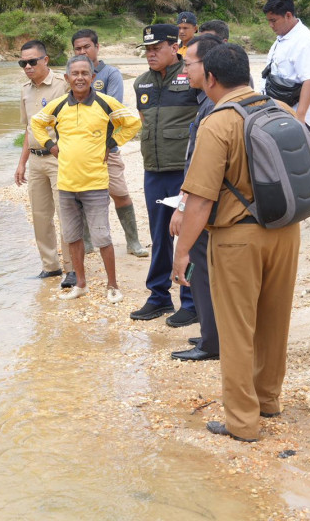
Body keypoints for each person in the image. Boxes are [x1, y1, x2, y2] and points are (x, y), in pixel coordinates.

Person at [173, 42, 300, 442]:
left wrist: (180, 255)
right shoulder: (280, 109)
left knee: (236, 329)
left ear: (210, 78)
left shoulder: (218, 122)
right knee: (273, 322)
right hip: (285, 231)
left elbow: (200, 201)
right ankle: (268, 399)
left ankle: (242, 422)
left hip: (237, 238)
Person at [31, 55, 141, 302]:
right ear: (67, 78)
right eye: (75, 74)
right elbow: (36, 123)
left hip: (95, 184)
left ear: (92, 77)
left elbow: (132, 122)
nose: (79, 77)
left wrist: (112, 143)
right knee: (72, 236)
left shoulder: (105, 103)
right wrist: (50, 145)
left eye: (85, 73)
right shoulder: (58, 105)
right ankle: (81, 283)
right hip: (67, 184)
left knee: (102, 237)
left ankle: (112, 285)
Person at [130, 24, 200, 327]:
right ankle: (158, 296)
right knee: (158, 236)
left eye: (156, 48)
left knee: (189, 235)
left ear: (175, 46)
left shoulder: (192, 77)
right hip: (154, 171)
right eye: (147, 49)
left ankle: (191, 300)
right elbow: (145, 122)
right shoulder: (141, 84)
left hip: (184, 172)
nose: (151, 54)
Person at [168, 34, 224, 361]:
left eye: (189, 64)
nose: (184, 70)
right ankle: (208, 332)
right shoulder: (205, 101)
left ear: (209, 66)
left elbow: (202, 168)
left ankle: (211, 342)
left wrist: (184, 205)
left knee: (200, 270)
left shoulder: (213, 107)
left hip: (205, 204)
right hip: (203, 199)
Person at [71, 28, 149, 258]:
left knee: (120, 193)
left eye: (87, 47)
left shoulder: (111, 74)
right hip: (80, 151)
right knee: (81, 195)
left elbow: (112, 109)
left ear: (97, 47)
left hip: (108, 149)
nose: (83, 51)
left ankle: (133, 241)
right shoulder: (73, 73)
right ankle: (86, 243)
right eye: (78, 48)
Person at [14, 40, 76, 288]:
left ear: (45, 60)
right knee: (40, 216)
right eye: (23, 63)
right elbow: (28, 130)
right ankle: (50, 266)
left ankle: (72, 269)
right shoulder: (25, 90)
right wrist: (21, 164)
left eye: (32, 61)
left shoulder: (62, 87)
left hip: (59, 159)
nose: (27, 67)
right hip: (36, 161)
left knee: (65, 214)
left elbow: (72, 125)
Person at [262, 0, 310, 129]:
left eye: (274, 20)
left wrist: (300, 118)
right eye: (268, 21)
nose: (270, 25)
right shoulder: (283, 37)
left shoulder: (306, 41)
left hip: (293, 113)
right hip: (279, 110)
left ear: (288, 16)